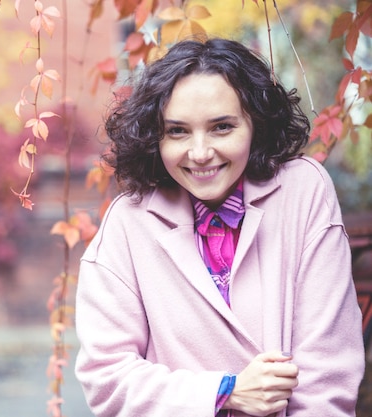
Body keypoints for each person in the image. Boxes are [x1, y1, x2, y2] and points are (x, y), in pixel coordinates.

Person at [74, 38, 365, 417]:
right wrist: (225, 391)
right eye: (177, 131)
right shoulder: (127, 223)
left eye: (222, 127)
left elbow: (328, 374)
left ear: (255, 124)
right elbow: (107, 379)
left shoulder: (303, 191)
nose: (199, 153)